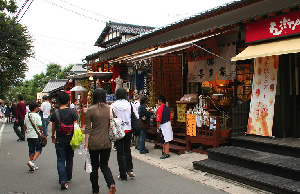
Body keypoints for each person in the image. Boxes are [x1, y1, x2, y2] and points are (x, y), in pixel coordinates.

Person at [85, 88, 116, 194]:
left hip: (93, 142)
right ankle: (111, 183)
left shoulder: (90, 110)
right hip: (106, 141)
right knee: (104, 165)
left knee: (94, 166)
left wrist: (85, 144)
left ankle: (95, 189)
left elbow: (88, 128)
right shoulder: (109, 109)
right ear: (104, 96)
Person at [50, 92, 78, 190]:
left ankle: (63, 179)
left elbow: (53, 126)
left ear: (58, 101)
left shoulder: (55, 112)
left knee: (60, 159)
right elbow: (76, 125)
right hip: (71, 139)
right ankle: (68, 177)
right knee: (70, 158)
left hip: (60, 139)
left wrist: (53, 136)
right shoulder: (73, 112)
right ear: (68, 101)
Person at [111, 88, 135, 181]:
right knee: (127, 150)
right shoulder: (129, 104)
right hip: (128, 129)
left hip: (118, 131)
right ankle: (130, 169)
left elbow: (111, 117)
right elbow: (135, 115)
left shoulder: (113, 105)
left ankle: (122, 174)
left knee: (120, 152)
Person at [24, 102, 43, 171]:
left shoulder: (27, 115)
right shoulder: (37, 116)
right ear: (35, 108)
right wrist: (41, 132)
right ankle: (31, 162)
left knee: (31, 150)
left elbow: (25, 125)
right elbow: (40, 126)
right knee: (39, 149)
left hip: (29, 135)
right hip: (36, 135)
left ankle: (32, 165)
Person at [156, 95, 173, 159]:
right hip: (168, 124)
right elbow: (170, 118)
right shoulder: (167, 108)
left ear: (160, 101)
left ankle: (166, 153)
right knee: (166, 139)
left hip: (163, 125)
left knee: (165, 139)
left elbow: (158, 119)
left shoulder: (160, 108)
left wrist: (157, 127)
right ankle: (165, 151)